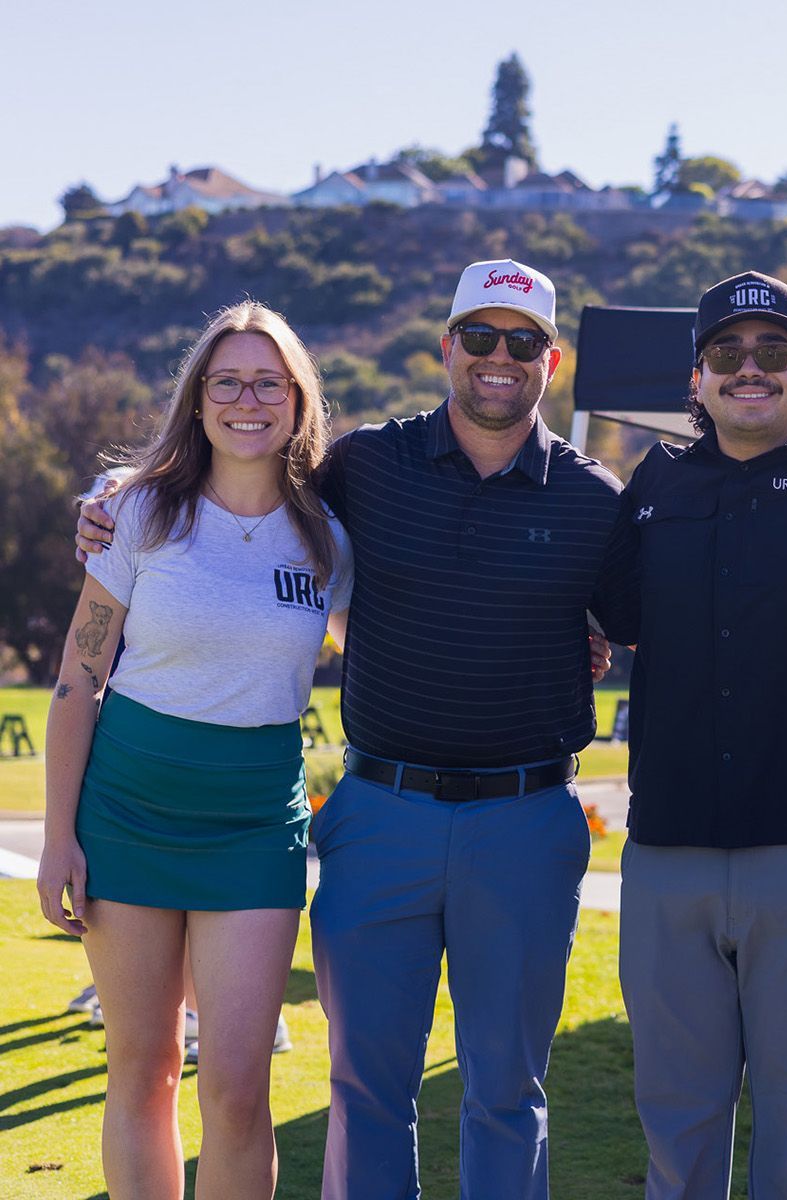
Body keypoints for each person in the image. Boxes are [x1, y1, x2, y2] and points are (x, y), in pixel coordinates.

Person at [77, 259, 635, 1200]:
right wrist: (116, 501)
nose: (500, 358)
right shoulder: (367, 464)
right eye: (482, 338)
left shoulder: (596, 500)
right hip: (383, 813)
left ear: (553, 359)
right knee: (367, 1087)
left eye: (524, 341)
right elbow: (242, 472)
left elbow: (628, 622)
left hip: (526, 818)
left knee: (506, 1088)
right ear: (446, 347)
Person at [39, 300, 352, 1199]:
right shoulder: (135, 515)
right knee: (143, 1074)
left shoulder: (331, 539)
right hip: (127, 811)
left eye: (268, 382)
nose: (247, 400)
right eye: (227, 382)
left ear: (296, 401)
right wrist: (59, 837)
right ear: (200, 398)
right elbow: (77, 680)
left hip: (254, 825)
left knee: (238, 1088)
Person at [607, 272, 787, 1198]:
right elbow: (616, 621)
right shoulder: (651, 483)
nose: (750, 370)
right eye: (727, 353)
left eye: (774, 351)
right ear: (695, 377)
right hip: (668, 855)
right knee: (676, 1129)